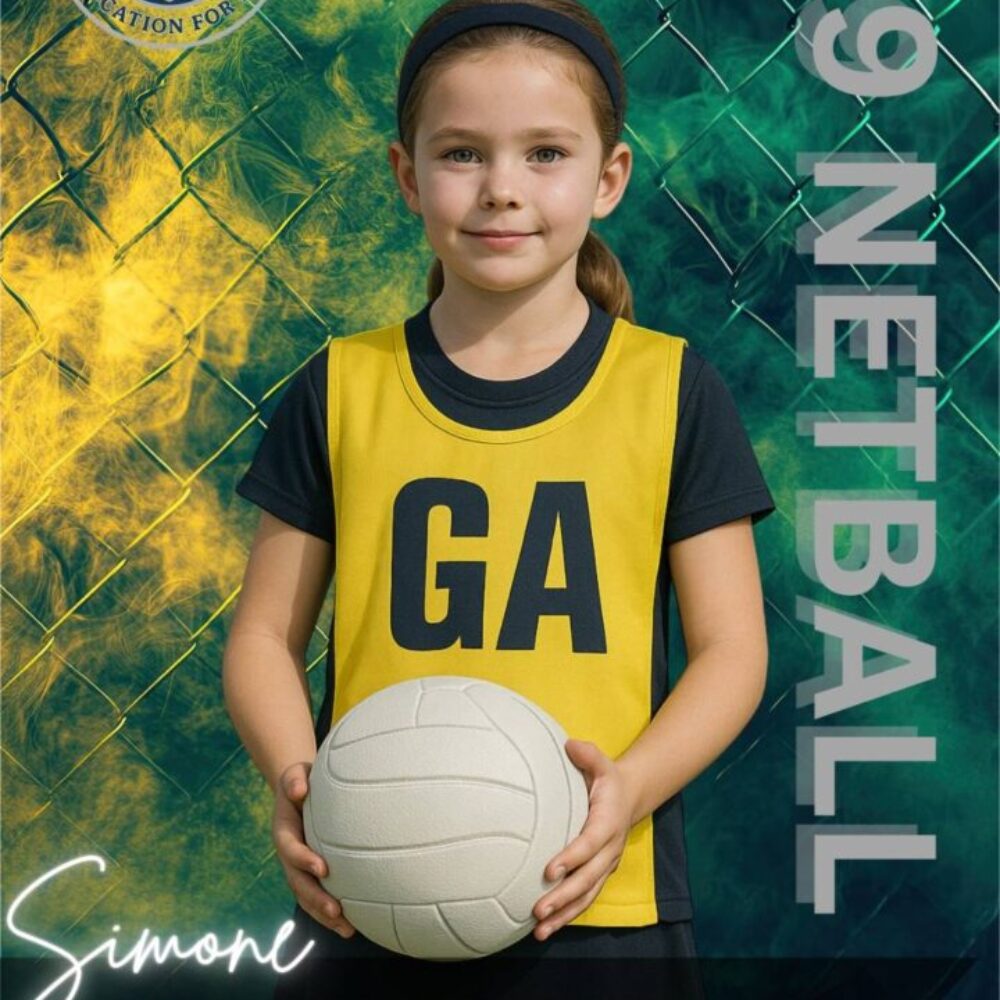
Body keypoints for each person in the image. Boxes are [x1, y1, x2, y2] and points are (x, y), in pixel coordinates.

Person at [223, 1, 776, 997]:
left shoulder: (670, 387)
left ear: (608, 178)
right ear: (406, 174)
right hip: (375, 891)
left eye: (546, 154)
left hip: (595, 893)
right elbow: (264, 634)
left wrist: (630, 791)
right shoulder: (343, 385)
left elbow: (733, 649)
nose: (502, 191)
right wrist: (298, 786)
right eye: (463, 153)